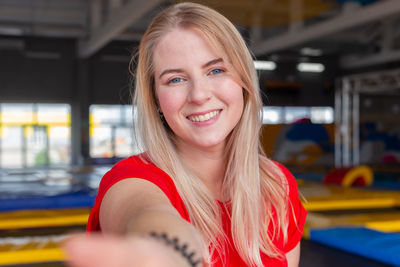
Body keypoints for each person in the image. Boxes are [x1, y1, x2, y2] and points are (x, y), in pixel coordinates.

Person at [64, 2, 307, 267]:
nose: (199, 95)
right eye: (175, 79)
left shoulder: (277, 185)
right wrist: (167, 247)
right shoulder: (131, 180)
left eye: (216, 70)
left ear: (243, 80)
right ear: (155, 98)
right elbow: (143, 213)